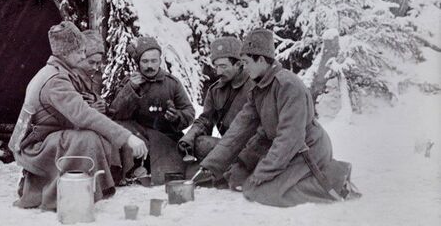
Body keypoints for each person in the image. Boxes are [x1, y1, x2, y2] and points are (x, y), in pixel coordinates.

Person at [198, 28, 359, 207]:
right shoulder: (259, 89)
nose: (244, 67)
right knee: (237, 179)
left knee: (262, 191)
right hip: (285, 147)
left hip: (307, 149)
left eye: (246, 62)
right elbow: (239, 129)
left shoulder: (288, 85)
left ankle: (335, 178)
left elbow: (290, 138)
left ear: (260, 59)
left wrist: (262, 173)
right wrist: (212, 164)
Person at [8, 21, 147, 210]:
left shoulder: (55, 72)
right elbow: (84, 115)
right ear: (67, 53)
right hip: (36, 147)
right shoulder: (56, 80)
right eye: (81, 52)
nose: (83, 56)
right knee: (86, 139)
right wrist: (128, 138)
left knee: (92, 135)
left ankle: (80, 190)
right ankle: (61, 195)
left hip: (42, 139)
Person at [109, 36, 195, 185]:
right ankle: (131, 168)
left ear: (160, 61)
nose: (150, 66)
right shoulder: (129, 82)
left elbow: (189, 111)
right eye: (145, 61)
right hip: (138, 137)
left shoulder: (172, 83)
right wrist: (131, 89)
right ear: (138, 63)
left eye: (154, 61)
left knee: (171, 174)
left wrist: (177, 117)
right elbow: (115, 114)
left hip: (165, 137)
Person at [178, 37, 254, 181]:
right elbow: (205, 120)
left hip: (250, 146)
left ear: (238, 64)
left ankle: (230, 170)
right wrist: (190, 137)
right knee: (199, 142)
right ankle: (227, 169)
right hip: (226, 146)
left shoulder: (254, 87)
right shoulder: (215, 90)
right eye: (216, 66)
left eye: (223, 66)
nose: (218, 72)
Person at [73, 29, 106, 114]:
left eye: (98, 63)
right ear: (81, 58)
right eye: (91, 62)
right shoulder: (70, 78)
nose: (95, 67)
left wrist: (98, 101)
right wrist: (91, 110)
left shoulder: (87, 77)